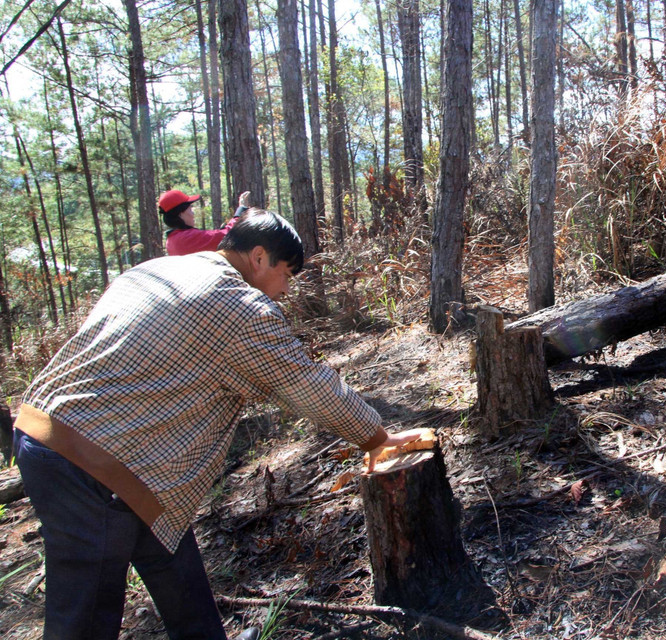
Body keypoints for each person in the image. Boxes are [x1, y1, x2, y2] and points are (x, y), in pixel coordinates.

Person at [13, 208, 422, 640]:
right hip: (93, 464)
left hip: (66, 437)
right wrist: (378, 438)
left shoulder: (158, 269)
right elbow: (305, 383)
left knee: (177, 570)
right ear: (259, 257)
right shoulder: (240, 306)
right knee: (84, 614)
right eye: (286, 274)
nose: (285, 290)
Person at [160, 190, 251, 256]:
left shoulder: (173, 238)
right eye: (190, 209)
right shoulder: (185, 238)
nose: (193, 214)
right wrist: (241, 210)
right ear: (180, 214)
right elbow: (227, 235)